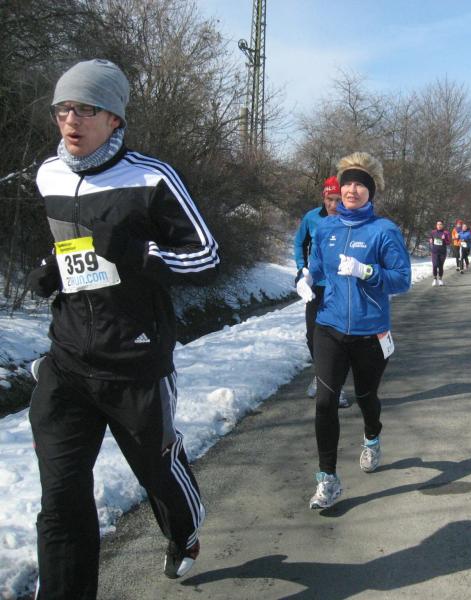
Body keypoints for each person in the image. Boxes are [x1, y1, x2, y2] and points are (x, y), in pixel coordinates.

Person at [26, 59, 219, 598]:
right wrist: (51, 268)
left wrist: (138, 252)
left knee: (158, 475)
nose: (71, 120)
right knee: (60, 503)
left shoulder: (152, 177)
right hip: (67, 360)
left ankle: (182, 532)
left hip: (136, 363)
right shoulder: (49, 173)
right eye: (63, 109)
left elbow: (206, 258)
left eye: (86, 109)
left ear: (114, 119)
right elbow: (68, 245)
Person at [295, 152, 411, 509]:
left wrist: (367, 271)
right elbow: (317, 266)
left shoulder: (384, 231)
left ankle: (372, 436)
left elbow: (402, 279)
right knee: (325, 402)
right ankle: (327, 479)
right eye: (347, 184)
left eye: (361, 185)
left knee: (365, 397)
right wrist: (306, 278)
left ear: (370, 192)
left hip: (370, 332)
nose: (352, 190)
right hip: (329, 326)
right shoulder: (326, 228)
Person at [293, 177, 349, 407]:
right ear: (323, 197)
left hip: (341, 285)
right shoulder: (312, 218)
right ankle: (320, 375)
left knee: (338, 336)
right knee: (312, 334)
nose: (333, 205)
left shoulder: (350, 219)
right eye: (329, 199)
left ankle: (337, 385)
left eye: (338, 200)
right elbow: (299, 243)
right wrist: (302, 268)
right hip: (316, 284)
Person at [429, 220, 451, 286]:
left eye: (440, 224)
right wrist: (430, 240)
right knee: (435, 265)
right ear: (436, 225)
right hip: (434, 252)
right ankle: (435, 279)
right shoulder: (433, 232)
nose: (439, 226)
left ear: (442, 225)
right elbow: (431, 239)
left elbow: (448, 242)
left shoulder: (446, 233)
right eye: (438, 224)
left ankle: (440, 279)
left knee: (440, 266)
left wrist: (444, 239)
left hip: (442, 252)